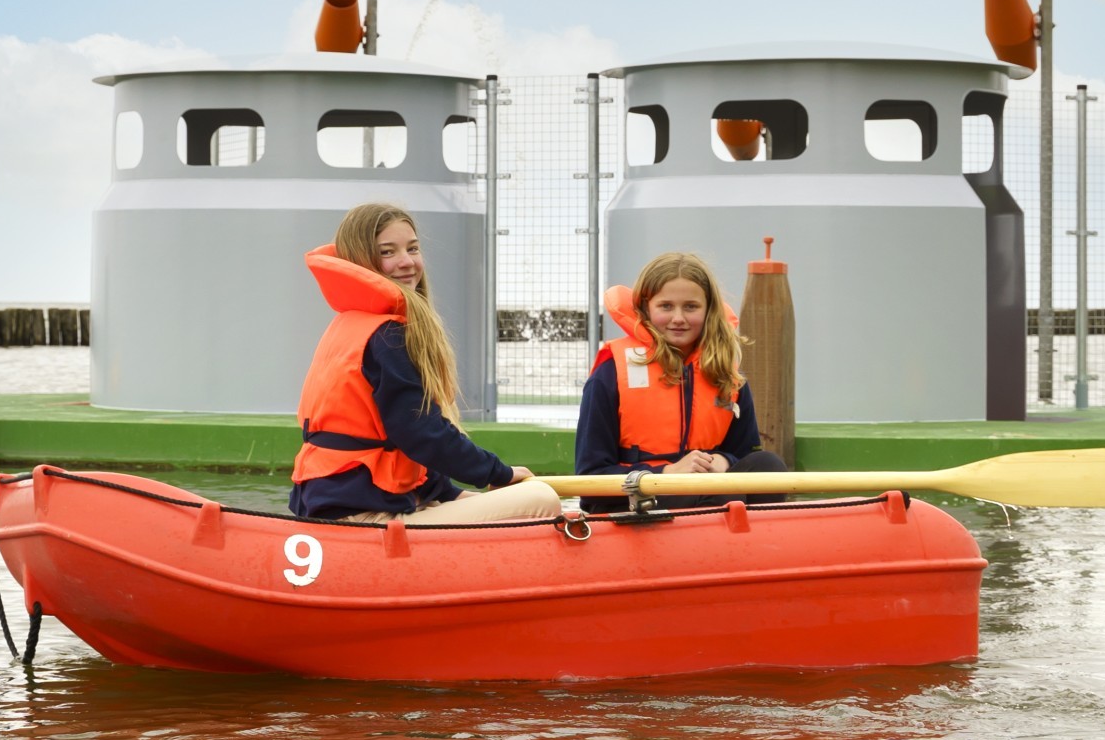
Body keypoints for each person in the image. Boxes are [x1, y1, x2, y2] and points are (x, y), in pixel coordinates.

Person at [290, 203, 561, 524]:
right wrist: (498, 473)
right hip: (362, 515)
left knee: (505, 500)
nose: (407, 262)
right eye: (388, 252)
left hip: (347, 503)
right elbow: (422, 432)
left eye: (413, 248)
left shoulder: (351, 324)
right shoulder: (388, 334)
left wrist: (448, 493)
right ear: (362, 260)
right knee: (541, 499)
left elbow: (398, 440)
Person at [574, 251, 788, 513]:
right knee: (721, 494)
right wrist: (666, 473)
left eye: (690, 306)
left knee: (769, 466)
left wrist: (724, 460)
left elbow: (744, 452)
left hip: (709, 491)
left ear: (708, 310)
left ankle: (759, 545)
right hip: (636, 500)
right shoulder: (610, 374)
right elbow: (589, 476)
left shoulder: (727, 375)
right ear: (646, 308)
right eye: (666, 306)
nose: (678, 318)